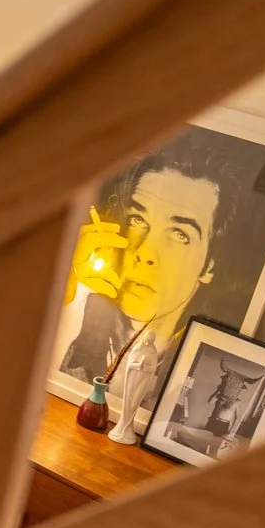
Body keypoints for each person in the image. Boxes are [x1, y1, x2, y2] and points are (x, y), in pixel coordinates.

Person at [58, 143, 235, 390]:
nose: (145, 252)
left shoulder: (197, 378)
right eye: (138, 220)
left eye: (179, 234)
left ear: (209, 267)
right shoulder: (72, 320)